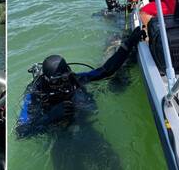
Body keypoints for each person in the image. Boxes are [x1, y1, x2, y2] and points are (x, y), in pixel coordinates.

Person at [15, 27, 146, 138]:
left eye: (64, 78)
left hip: (82, 122)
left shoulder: (74, 79)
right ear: (46, 79)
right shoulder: (35, 93)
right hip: (56, 130)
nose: (61, 83)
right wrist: (50, 117)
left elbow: (106, 70)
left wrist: (128, 44)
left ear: (68, 73)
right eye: (55, 81)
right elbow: (21, 131)